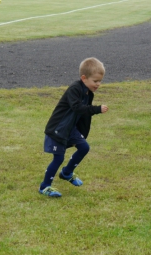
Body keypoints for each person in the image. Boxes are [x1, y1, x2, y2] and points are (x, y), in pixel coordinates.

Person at [39, 57, 109, 197]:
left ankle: (66, 173)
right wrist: (96, 109)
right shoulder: (75, 89)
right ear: (84, 78)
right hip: (58, 129)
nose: (98, 84)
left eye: (100, 81)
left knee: (84, 147)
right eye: (95, 81)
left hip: (70, 129)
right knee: (58, 158)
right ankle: (45, 187)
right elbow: (78, 108)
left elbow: (83, 115)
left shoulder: (88, 93)